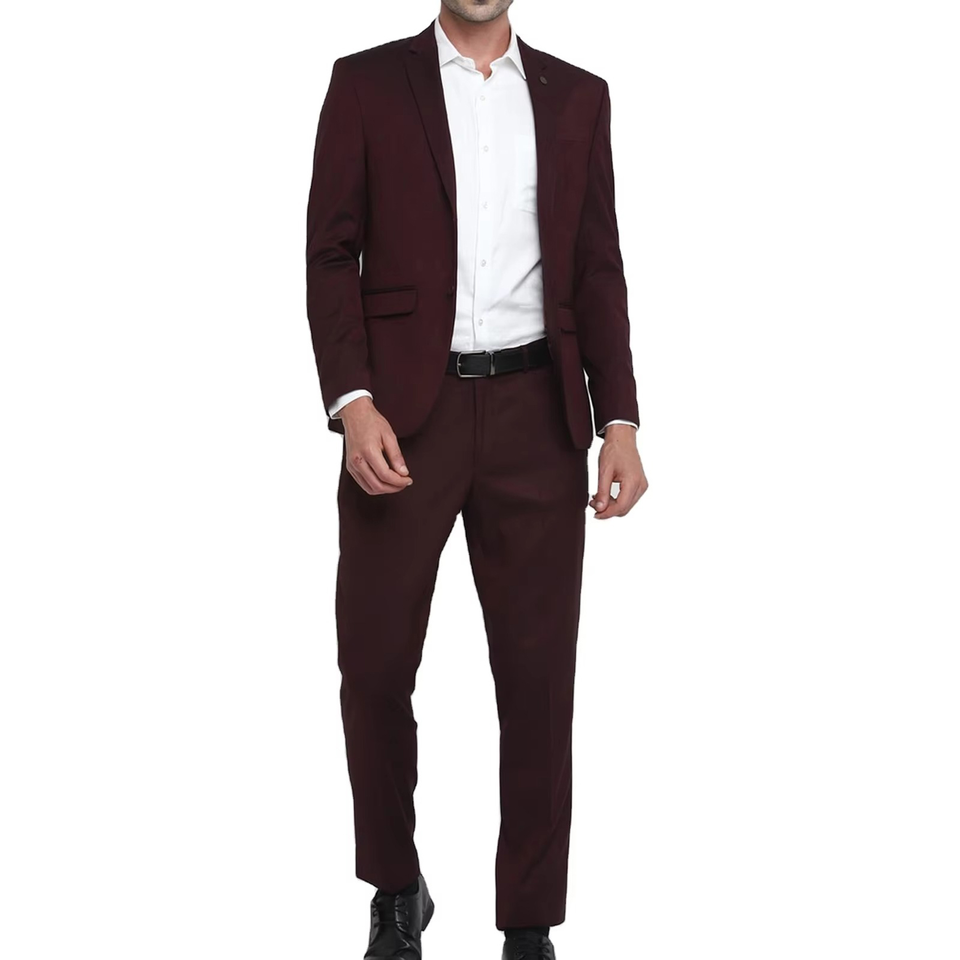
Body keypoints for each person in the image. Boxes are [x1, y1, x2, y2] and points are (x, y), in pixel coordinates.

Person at [305, 1, 648, 956]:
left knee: (538, 682)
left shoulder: (579, 97)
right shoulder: (366, 84)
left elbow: (599, 266)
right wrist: (352, 400)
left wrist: (619, 419)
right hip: (403, 419)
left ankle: (529, 923)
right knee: (375, 665)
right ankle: (396, 887)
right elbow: (330, 253)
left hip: (540, 414)